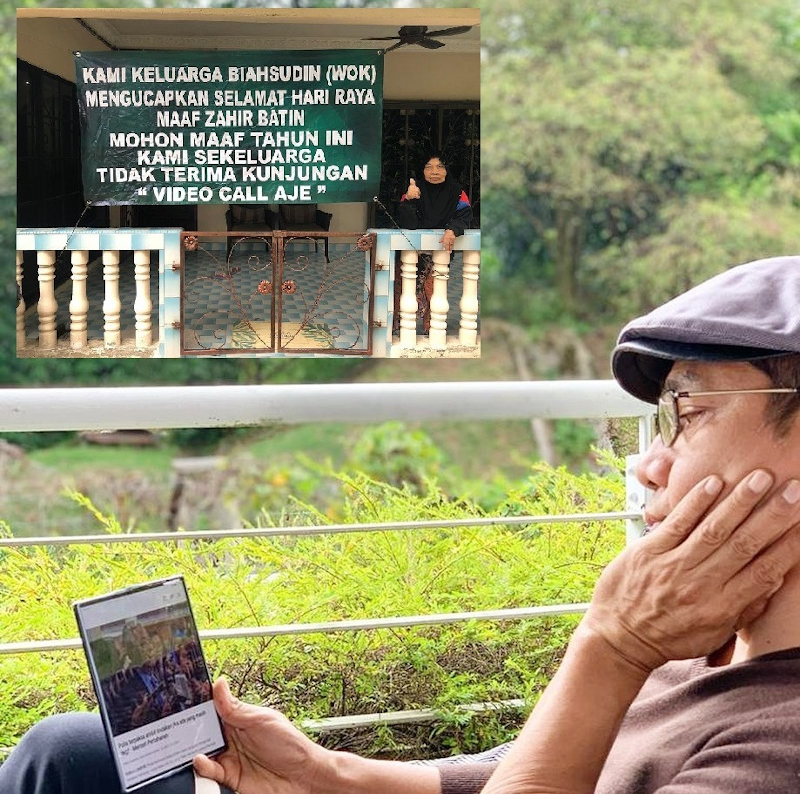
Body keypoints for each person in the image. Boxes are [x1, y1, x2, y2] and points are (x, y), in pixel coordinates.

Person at [2, 255, 800, 794]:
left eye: (686, 414)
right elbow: (518, 768)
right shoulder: (699, 642)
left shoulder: (777, 745)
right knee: (73, 753)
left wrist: (612, 644)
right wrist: (326, 773)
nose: (649, 465)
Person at [392, 153, 472, 335]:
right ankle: (398, 323)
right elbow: (407, 223)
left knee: (434, 288)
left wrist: (453, 229)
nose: (434, 171)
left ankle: (430, 324)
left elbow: (465, 215)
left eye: (440, 166)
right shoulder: (415, 190)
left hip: (440, 250)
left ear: (447, 170)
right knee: (404, 286)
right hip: (412, 250)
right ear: (422, 171)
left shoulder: (457, 192)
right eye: (428, 167)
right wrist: (408, 199)